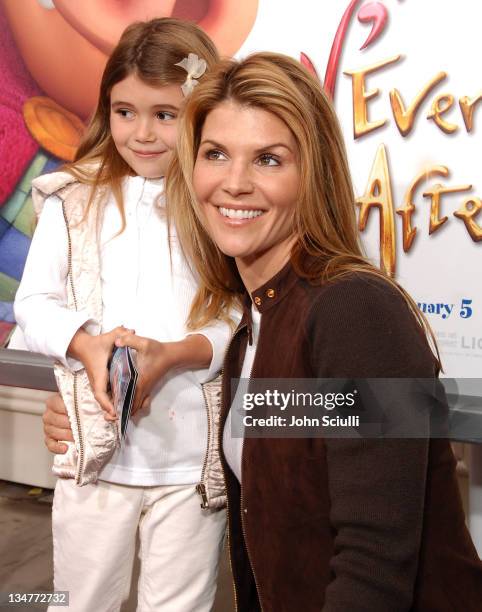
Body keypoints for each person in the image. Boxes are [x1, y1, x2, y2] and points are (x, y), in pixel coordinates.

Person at [164, 52, 482, 610]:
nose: (234, 183)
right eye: (216, 154)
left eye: (267, 159)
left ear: (312, 174)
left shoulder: (355, 311)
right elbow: (299, 462)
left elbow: (375, 557)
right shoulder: (257, 322)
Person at [14, 19, 231, 612]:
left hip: (191, 466)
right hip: (95, 461)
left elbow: (238, 315)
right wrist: (86, 343)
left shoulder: (219, 206)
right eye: (125, 111)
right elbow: (33, 303)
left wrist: (183, 352)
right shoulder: (72, 198)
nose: (143, 133)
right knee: (80, 601)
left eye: (165, 113)